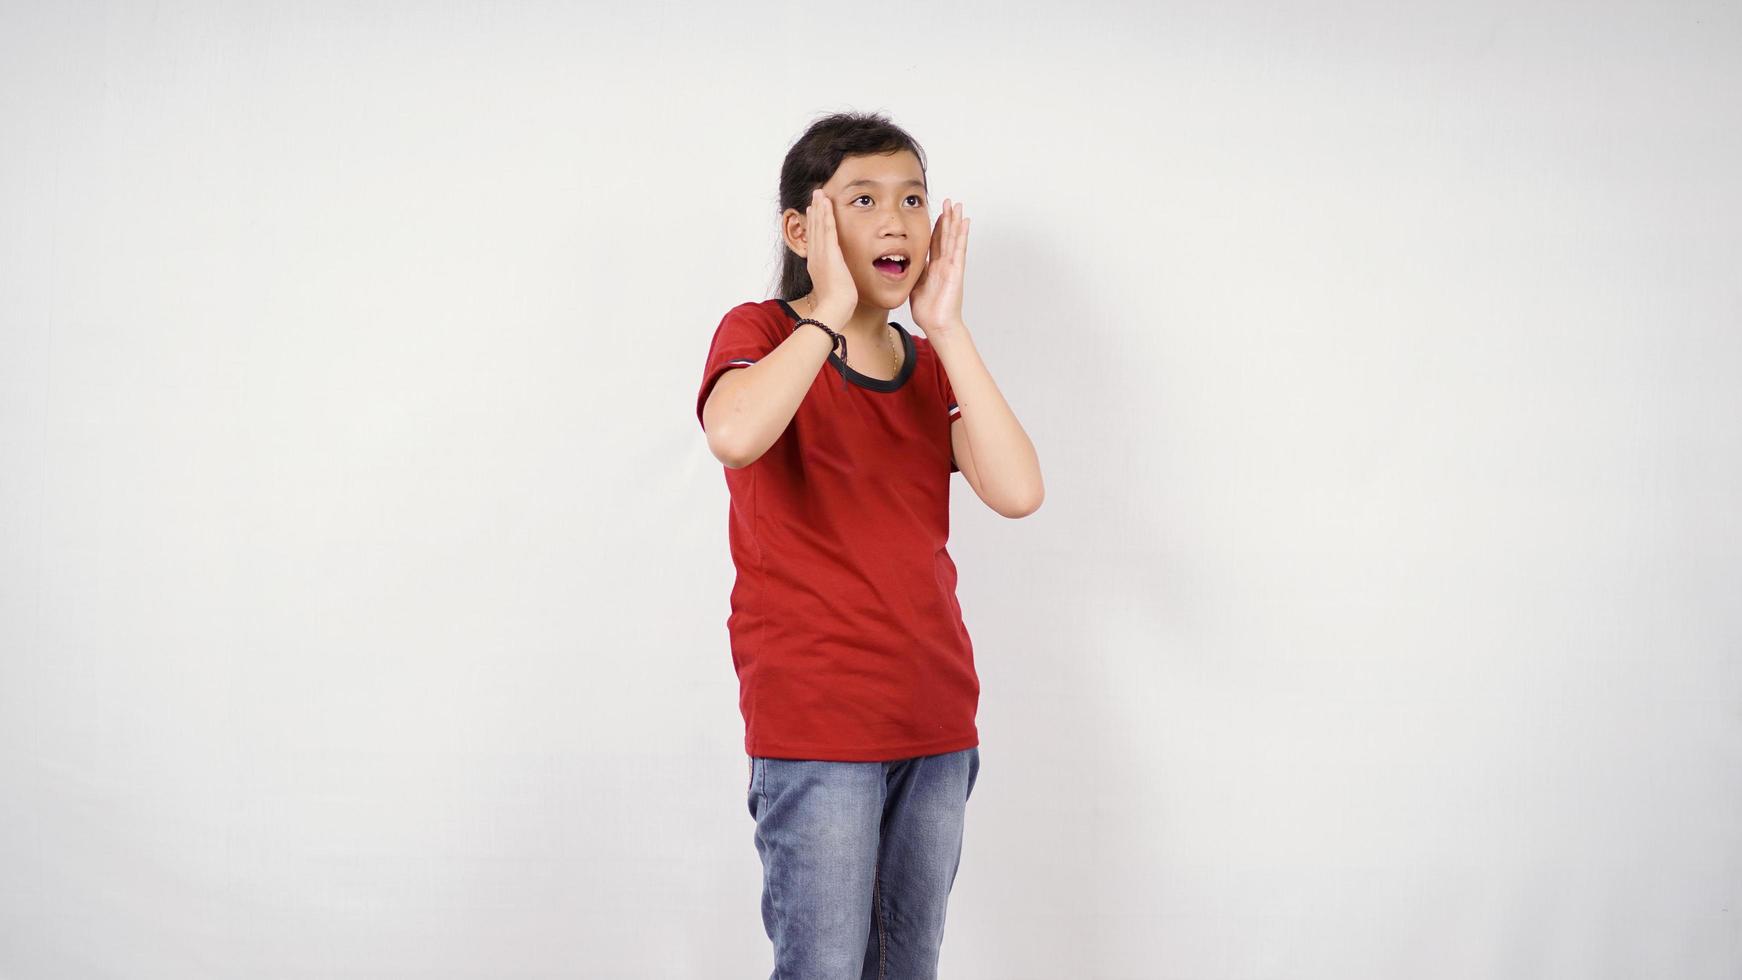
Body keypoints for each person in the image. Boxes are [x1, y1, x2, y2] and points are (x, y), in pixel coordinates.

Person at [694, 111, 1044, 979]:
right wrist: (829, 314)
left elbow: (1018, 490)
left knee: (906, 966)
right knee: (823, 966)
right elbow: (734, 434)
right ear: (801, 227)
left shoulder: (930, 369)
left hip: (934, 721)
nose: (897, 221)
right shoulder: (764, 335)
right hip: (817, 727)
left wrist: (950, 331)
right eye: (864, 199)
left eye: (913, 199)